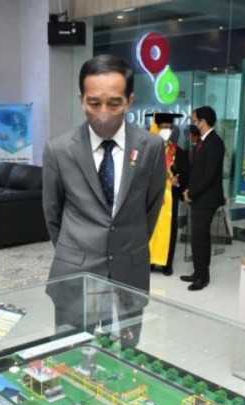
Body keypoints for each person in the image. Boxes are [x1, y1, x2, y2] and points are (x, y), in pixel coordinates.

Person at [42, 54, 166, 347]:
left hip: (129, 268)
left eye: (114, 103)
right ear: (81, 99)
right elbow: (52, 213)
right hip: (76, 270)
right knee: (73, 350)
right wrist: (78, 249)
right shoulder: (59, 149)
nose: (103, 113)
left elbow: (151, 206)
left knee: (127, 349)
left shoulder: (151, 147)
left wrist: (126, 242)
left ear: (129, 101)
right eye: (94, 103)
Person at [180, 106, 225, 291]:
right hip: (200, 197)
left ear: (203, 122)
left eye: (194, 121)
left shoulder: (215, 143)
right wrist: (188, 189)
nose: (193, 124)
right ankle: (198, 272)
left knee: (199, 238)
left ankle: (202, 278)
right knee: (200, 237)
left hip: (207, 200)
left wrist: (191, 194)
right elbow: (197, 172)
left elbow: (208, 176)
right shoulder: (204, 141)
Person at [147, 113, 189, 276]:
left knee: (169, 229)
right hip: (152, 196)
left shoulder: (179, 152)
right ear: (156, 128)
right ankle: (150, 260)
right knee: (151, 227)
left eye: (169, 127)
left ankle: (166, 263)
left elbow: (185, 174)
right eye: (163, 127)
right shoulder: (149, 151)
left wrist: (178, 181)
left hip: (171, 196)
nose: (166, 130)